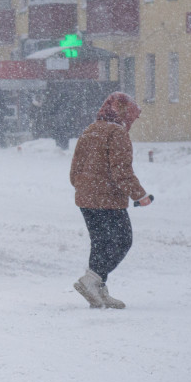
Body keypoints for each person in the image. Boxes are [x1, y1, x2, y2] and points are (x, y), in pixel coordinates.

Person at [69, 92, 152, 309]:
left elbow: (74, 170)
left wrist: (84, 188)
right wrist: (140, 195)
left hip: (86, 199)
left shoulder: (90, 130)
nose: (132, 121)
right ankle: (92, 280)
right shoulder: (117, 133)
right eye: (132, 116)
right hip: (107, 199)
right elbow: (121, 171)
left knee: (100, 243)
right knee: (123, 240)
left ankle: (98, 289)